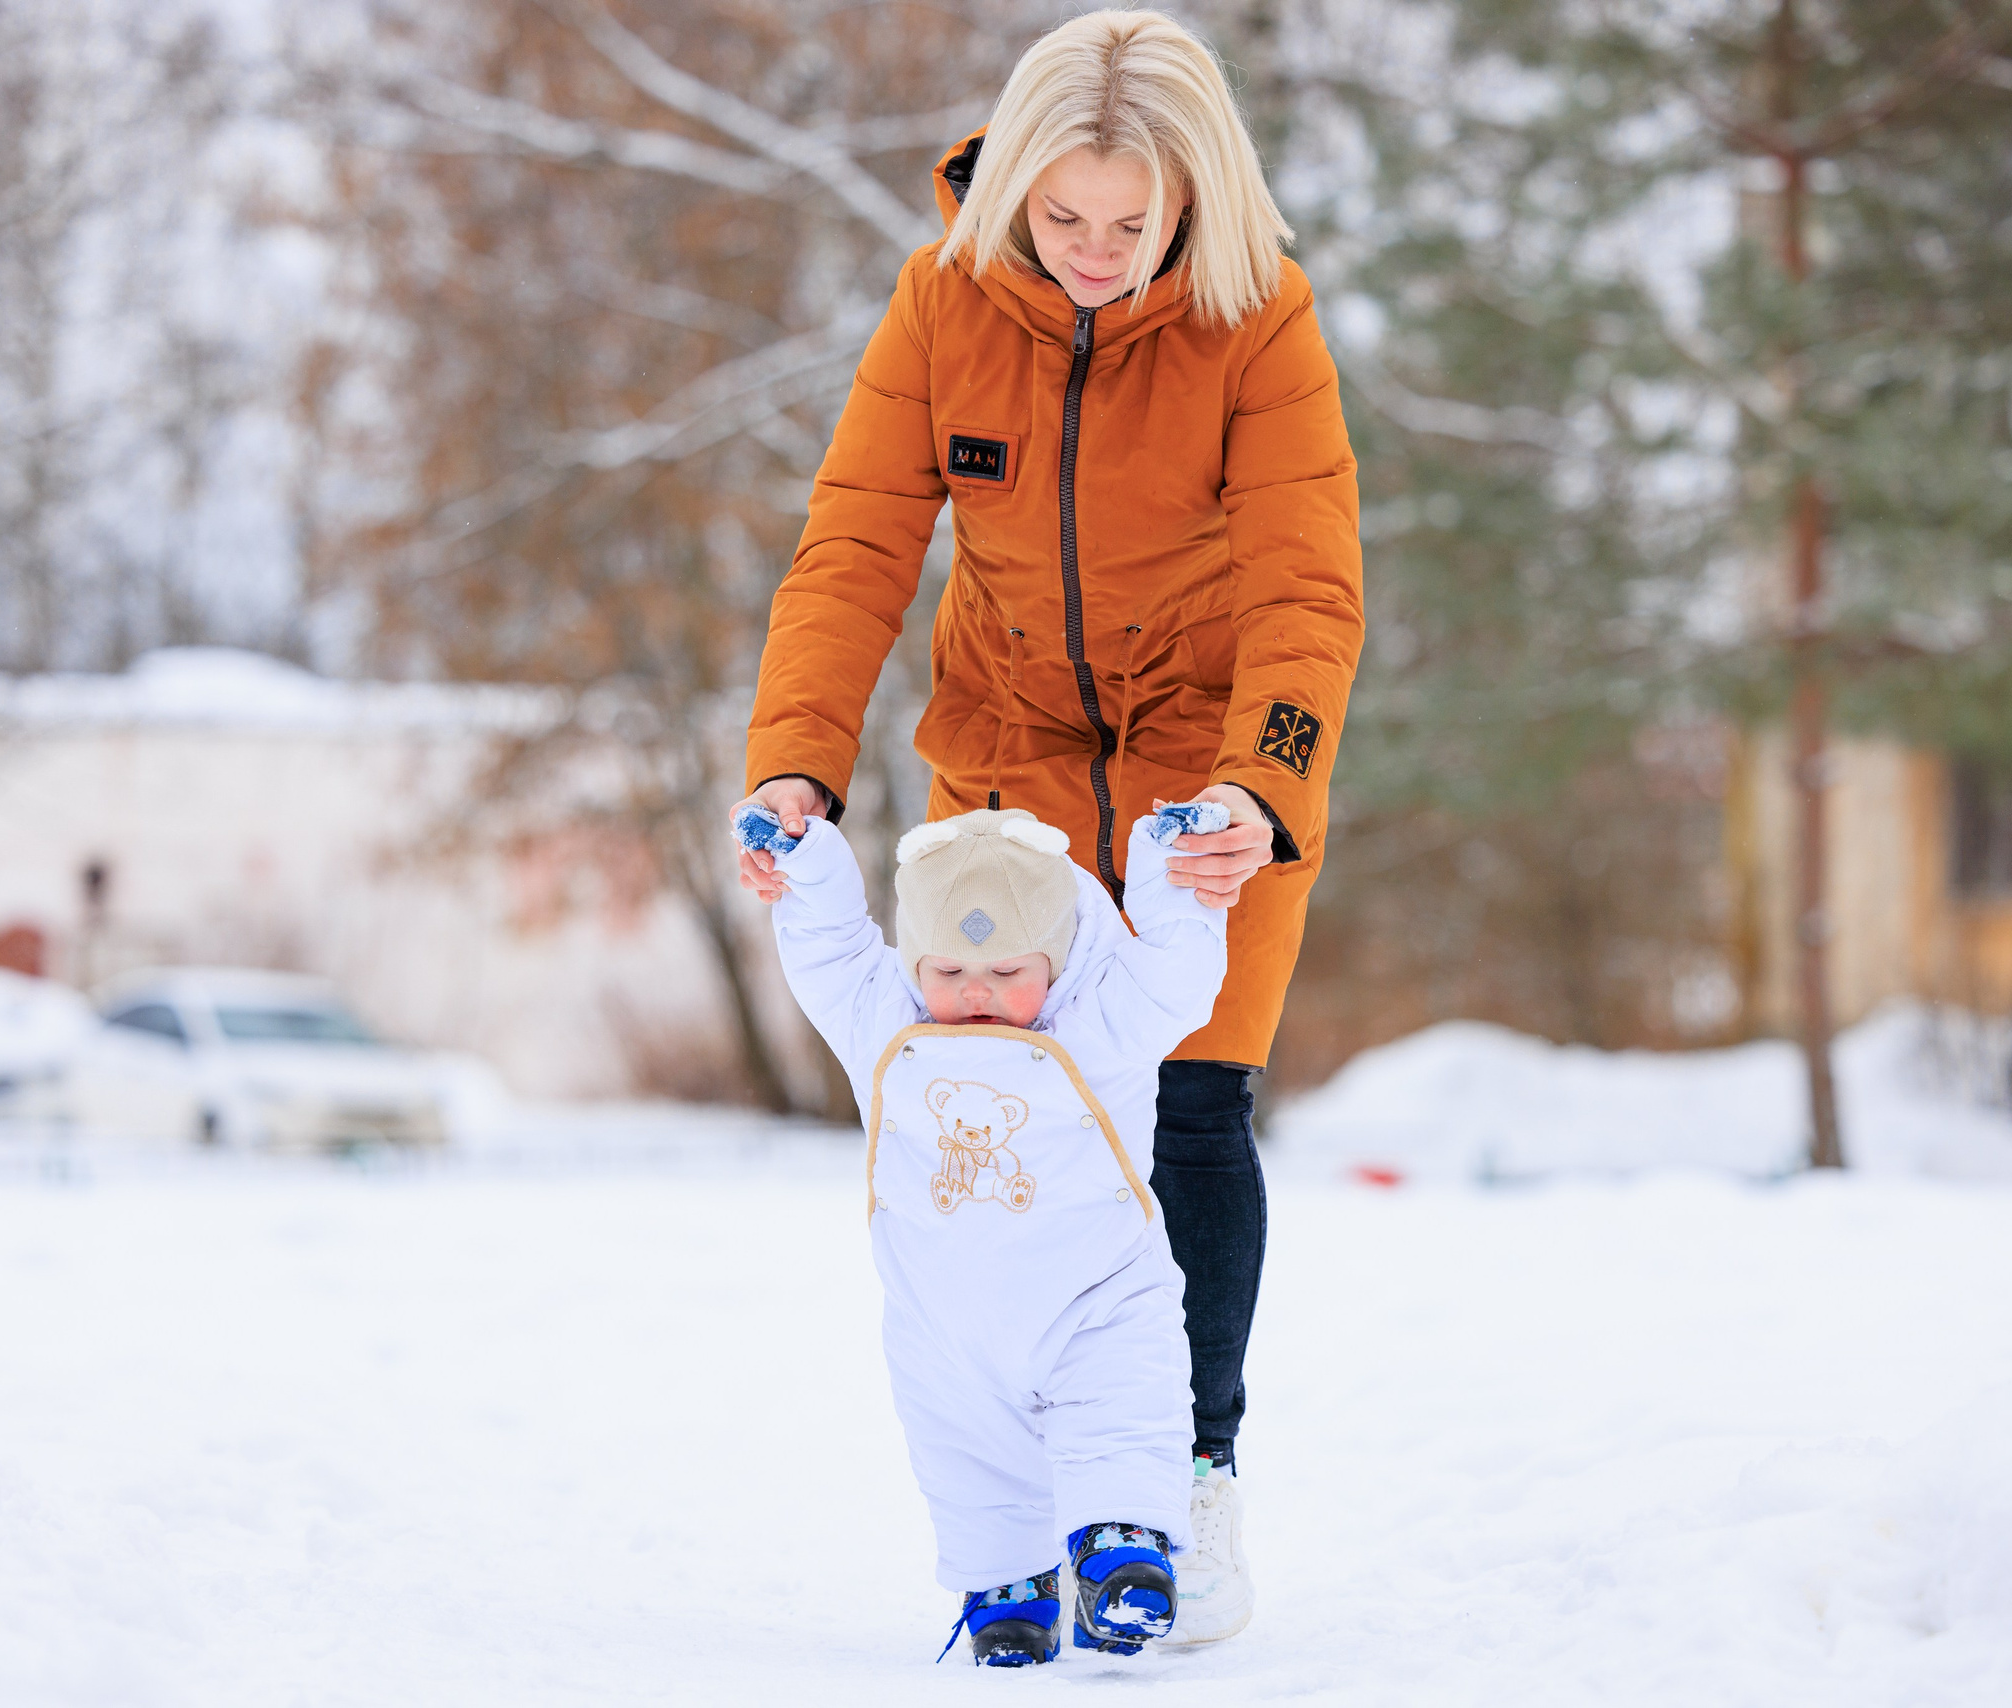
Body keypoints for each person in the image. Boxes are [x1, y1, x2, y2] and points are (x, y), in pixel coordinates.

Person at [731, 8, 1363, 1642]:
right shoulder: (947, 299)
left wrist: (1265, 790)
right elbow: (858, 540)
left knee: (1194, 1106)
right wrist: (796, 763)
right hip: (1002, 769)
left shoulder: (1259, 318)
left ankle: (1187, 1473)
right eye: (1062, 218)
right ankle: (1028, 1493)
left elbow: (1307, 588)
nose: (1092, 253)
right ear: (1011, 190)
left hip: (1200, 778)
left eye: (1128, 223)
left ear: (1189, 203)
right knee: (991, 1124)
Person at [759, 801, 1226, 1664]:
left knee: (1119, 1412)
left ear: (1060, 955)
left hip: (1098, 1299)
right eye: (948, 970)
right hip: (946, 1322)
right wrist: (805, 858)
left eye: (1010, 971)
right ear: (914, 961)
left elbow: (1176, 972)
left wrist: (1165, 866)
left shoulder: (1102, 1019)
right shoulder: (882, 1021)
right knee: (966, 1454)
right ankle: (1006, 1584)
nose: (976, 994)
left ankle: (1121, 1549)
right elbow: (826, 949)